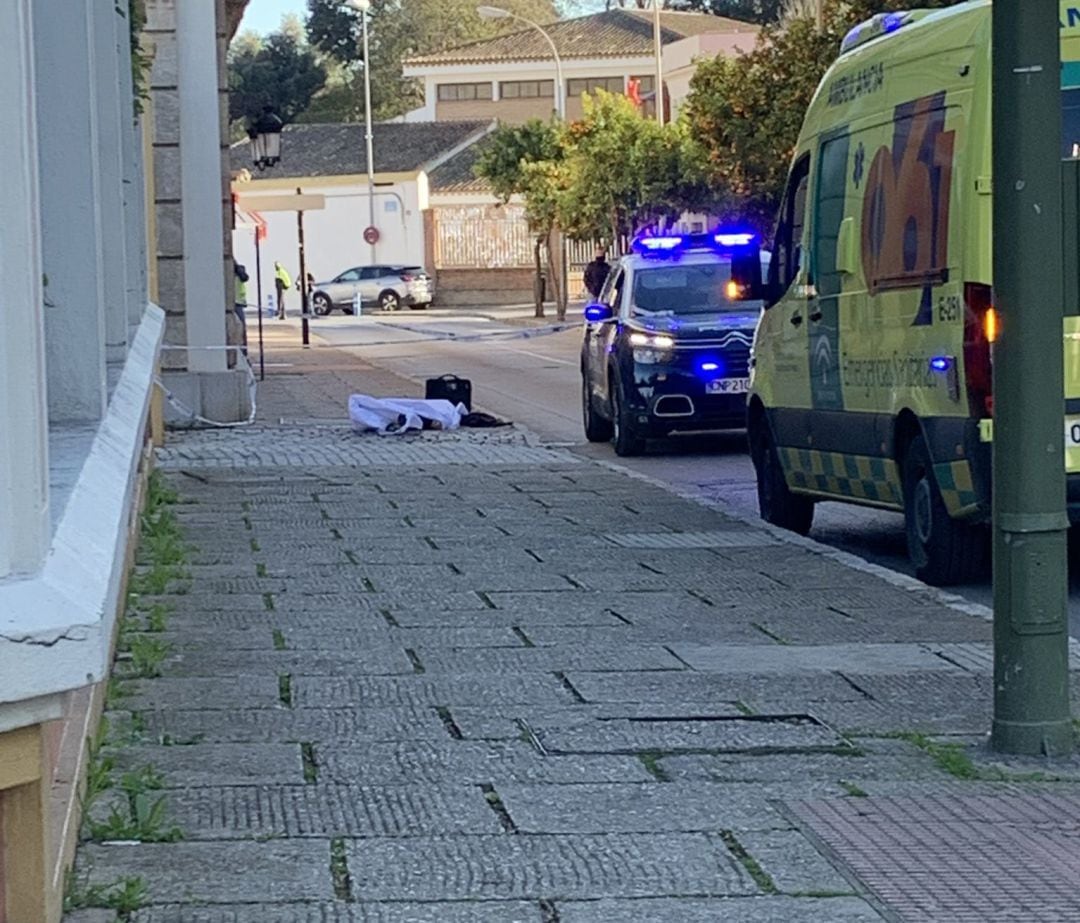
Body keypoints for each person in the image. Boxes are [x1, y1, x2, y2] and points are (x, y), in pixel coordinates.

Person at [233, 263, 249, 355]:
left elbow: (244, 277)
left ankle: (243, 351)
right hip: (237, 303)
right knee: (241, 328)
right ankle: (243, 351)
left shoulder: (237, 272)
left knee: (240, 329)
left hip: (237, 303)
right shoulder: (239, 272)